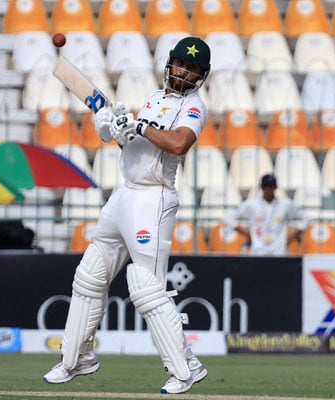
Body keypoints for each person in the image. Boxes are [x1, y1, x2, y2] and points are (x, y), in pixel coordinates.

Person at [43, 37, 211, 394]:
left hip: (154, 198)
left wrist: (140, 127)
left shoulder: (194, 106)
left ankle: (187, 368)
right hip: (124, 194)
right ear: (171, 64)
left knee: (147, 288)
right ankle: (77, 359)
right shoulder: (153, 97)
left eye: (193, 69)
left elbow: (179, 143)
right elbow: (132, 141)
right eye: (181, 64)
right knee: (89, 276)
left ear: (200, 76)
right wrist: (113, 129)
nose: (184, 72)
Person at [223, 174, 310, 256]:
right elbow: (228, 217)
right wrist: (245, 233)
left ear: (275, 188)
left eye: (271, 187)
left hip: (278, 253)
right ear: (261, 188)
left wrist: (294, 234)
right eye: (265, 187)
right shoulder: (252, 204)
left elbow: (307, 218)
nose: (268, 190)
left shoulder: (285, 204)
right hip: (258, 253)